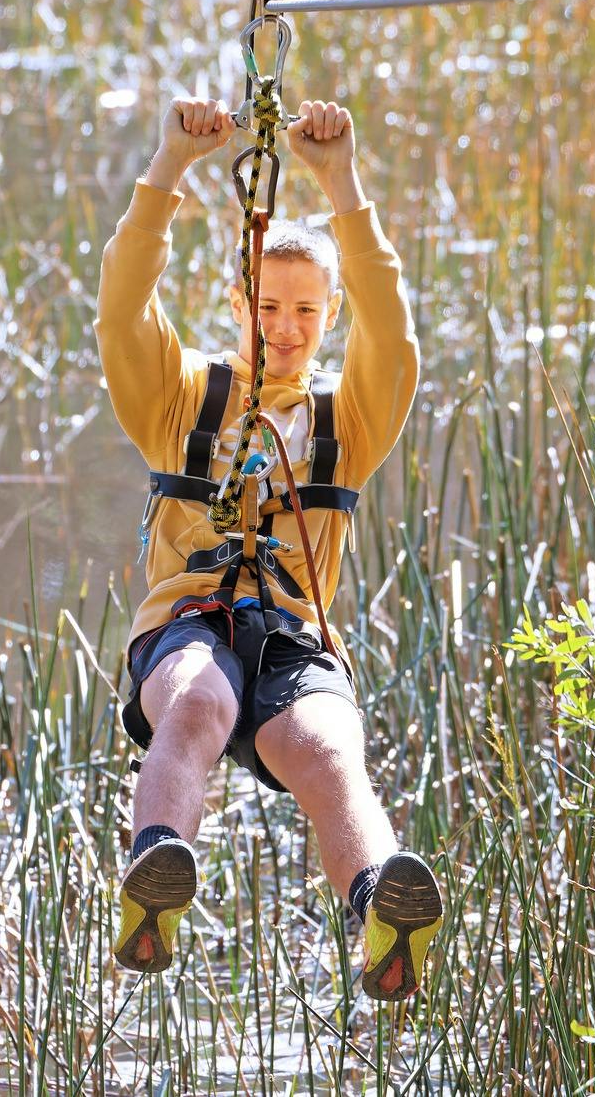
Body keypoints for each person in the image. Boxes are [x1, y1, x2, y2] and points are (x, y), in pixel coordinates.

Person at [93, 94, 442, 1002]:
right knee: (198, 703)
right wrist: (170, 167)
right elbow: (121, 308)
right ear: (237, 302)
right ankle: (152, 887)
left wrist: (342, 183)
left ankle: (382, 911)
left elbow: (394, 335)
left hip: (294, 640)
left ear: (330, 318)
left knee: (327, 747)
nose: (285, 328)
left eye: (307, 312)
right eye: (268, 305)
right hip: (190, 624)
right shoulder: (181, 397)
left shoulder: (348, 422)